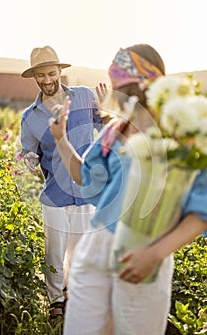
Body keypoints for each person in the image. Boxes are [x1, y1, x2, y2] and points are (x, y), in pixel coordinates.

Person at [50, 44, 207, 335]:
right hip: (95, 249)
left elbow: (203, 207)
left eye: (126, 87)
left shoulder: (182, 131)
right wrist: (61, 138)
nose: (121, 96)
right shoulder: (116, 130)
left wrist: (155, 254)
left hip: (144, 252)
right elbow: (87, 177)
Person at [19, 45, 103, 318]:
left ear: (60, 72)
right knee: (54, 253)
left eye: (51, 73)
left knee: (81, 253)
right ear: (34, 76)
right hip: (55, 195)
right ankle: (56, 301)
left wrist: (109, 110)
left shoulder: (84, 97)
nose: (46, 80)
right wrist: (29, 159)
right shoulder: (30, 117)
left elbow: (106, 132)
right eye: (40, 75)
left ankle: (76, 297)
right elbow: (29, 151)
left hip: (86, 190)